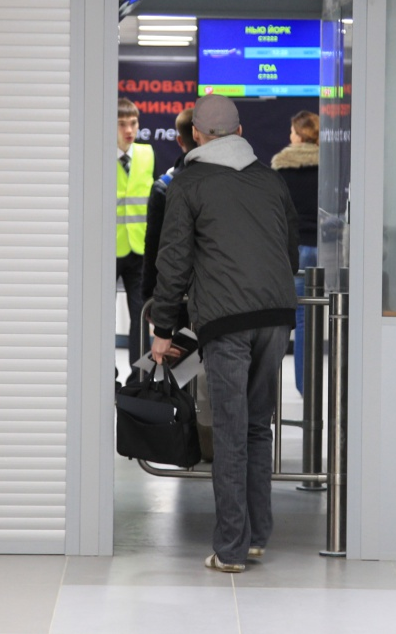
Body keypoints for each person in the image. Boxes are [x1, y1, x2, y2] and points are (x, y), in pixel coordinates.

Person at [150, 94, 299, 573]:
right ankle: (256, 538)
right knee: (257, 427)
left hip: (225, 320)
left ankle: (232, 548)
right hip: (275, 315)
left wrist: (163, 328)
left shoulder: (188, 183)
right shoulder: (270, 179)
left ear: (196, 135)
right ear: (239, 132)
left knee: (231, 431)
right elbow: (289, 252)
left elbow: (174, 261)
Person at [270, 110, 320, 395]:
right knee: (316, 318)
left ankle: (296, 387)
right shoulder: (330, 167)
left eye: (292, 132)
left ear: (300, 136)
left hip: (293, 250)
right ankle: (311, 388)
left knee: (292, 318)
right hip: (326, 249)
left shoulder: (281, 169)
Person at [116, 97, 154, 382]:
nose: (129, 130)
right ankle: (105, 376)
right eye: (121, 124)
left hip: (139, 249)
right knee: (99, 317)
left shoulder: (147, 153)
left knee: (141, 315)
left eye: (133, 123)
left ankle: (139, 380)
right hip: (107, 249)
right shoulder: (97, 154)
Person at [142, 106, 195, 303]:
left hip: (176, 293)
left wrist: (149, 296)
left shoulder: (165, 187)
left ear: (180, 140)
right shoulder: (229, 182)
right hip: (221, 294)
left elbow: (154, 247)